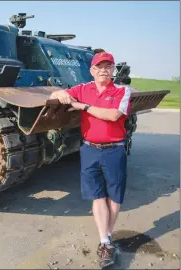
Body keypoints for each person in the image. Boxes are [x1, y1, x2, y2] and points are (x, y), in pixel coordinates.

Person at [49, 52, 131, 268]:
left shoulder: (122, 90)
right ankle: (105, 241)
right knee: (98, 196)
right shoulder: (83, 89)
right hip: (90, 150)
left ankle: (108, 237)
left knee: (114, 198)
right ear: (92, 70)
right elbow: (60, 93)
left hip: (114, 150)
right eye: (99, 66)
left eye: (108, 66)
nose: (104, 70)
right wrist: (60, 93)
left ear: (113, 70)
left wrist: (82, 106)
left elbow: (114, 115)